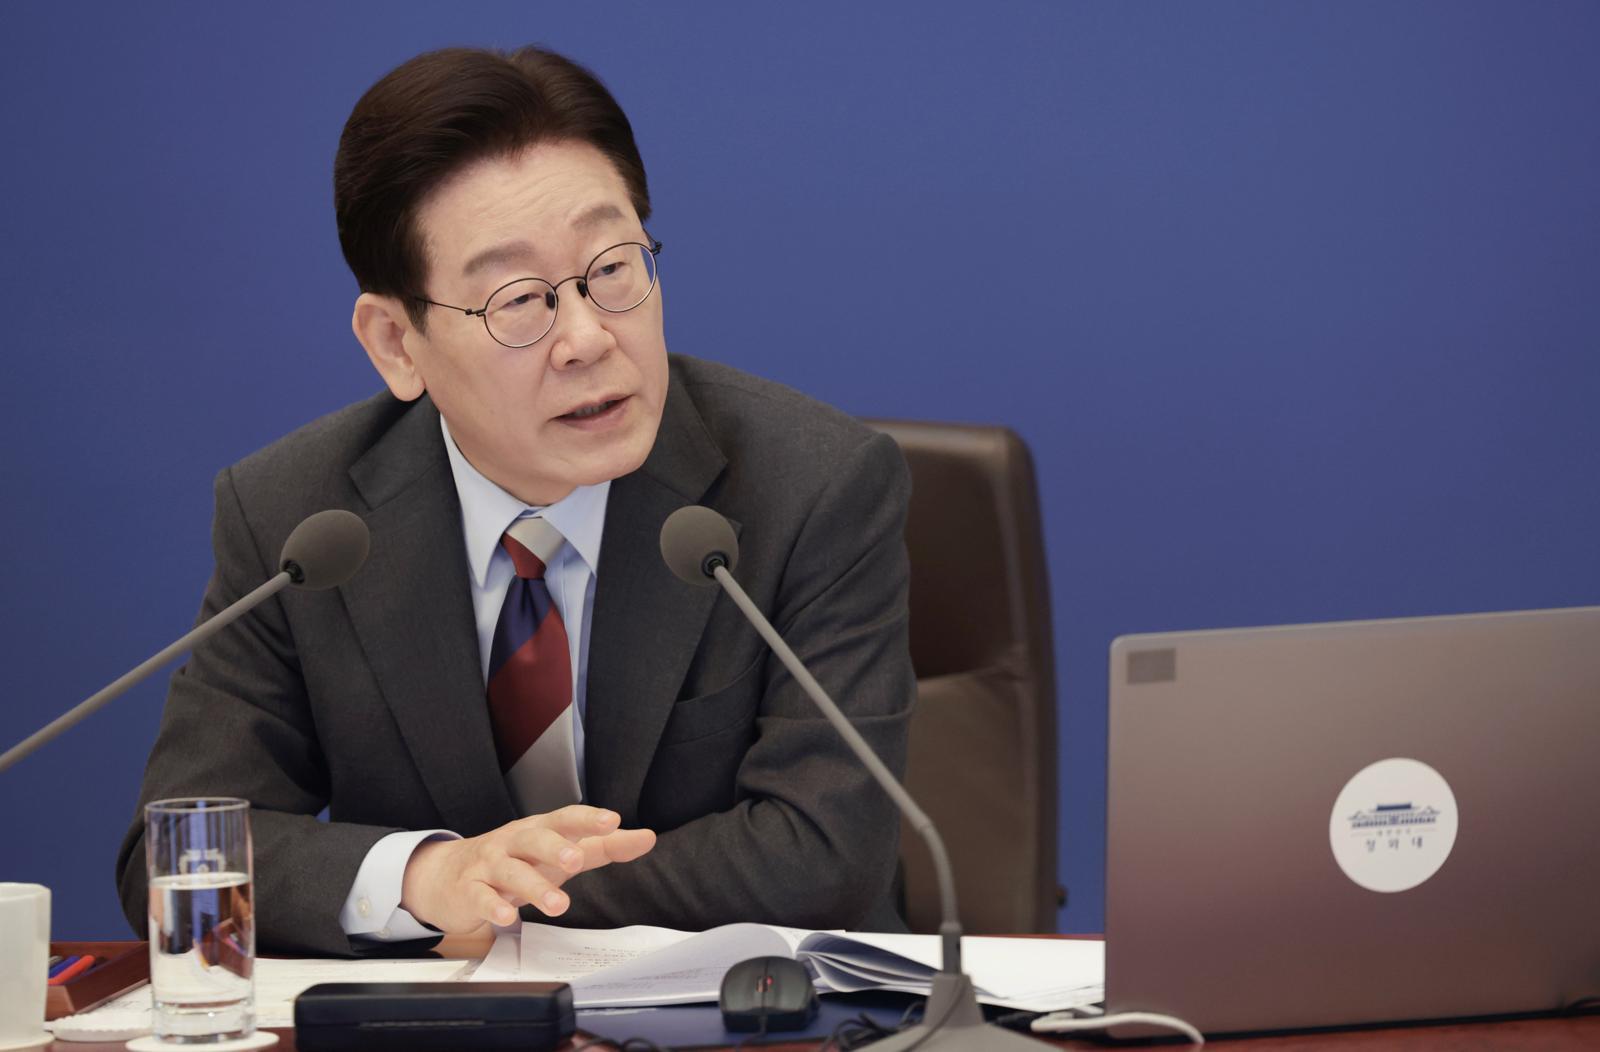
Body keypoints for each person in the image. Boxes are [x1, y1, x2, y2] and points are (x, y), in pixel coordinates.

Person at [114, 44, 915, 956]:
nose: (587, 337)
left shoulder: (812, 486)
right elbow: (180, 860)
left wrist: (492, 899)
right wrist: (425, 880)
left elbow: (825, 852)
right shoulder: (298, 521)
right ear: (396, 344)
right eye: (518, 299)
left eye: (612, 268)